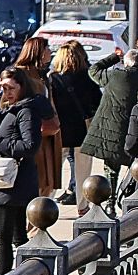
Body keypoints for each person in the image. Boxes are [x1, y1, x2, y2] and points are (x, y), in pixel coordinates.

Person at [0, 67, 45, 273]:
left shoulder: (26, 111)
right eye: (4, 89)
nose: (7, 93)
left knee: (5, 237)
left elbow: (30, 145)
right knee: (14, 237)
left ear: (22, 87)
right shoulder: (13, 110)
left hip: (13, 182)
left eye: (11, 88)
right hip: (8, 182)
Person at [80, 45, 138, 208]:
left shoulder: (116, 75)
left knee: (111, 169)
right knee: (136, 167)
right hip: (136, 129)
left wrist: (114, 57)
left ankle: (111, 201)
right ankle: (133, 199)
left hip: (112, 129)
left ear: (127, 63)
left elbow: (93, 70)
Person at [48, 40, 102, 204]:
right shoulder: (87, 78)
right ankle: (82, 206)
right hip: (82, 131)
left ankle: (42, 206)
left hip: (59, 132)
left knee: (52, 173)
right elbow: (97, 102)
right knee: (83, 172)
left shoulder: (52, 79)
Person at [11, 36, 64, 197]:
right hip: (31, 132)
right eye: (47, 49)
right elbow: (9, 102)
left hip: (48, 133)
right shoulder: (20, 73)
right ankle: (32, 221)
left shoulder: (42, 74)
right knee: (37, 182)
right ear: (39, 52)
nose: (50, 52)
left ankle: (35, 221)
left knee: (48, 183)